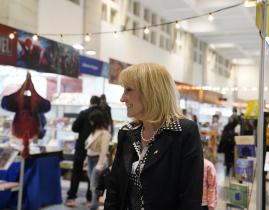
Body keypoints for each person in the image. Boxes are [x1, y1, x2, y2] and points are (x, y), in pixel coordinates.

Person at [104, 63, 203, 210]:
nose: (122, 98)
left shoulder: (183, 132)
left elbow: (190, 197)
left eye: (128, 90)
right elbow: (114, 189)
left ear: (150, 92)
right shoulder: (127, 132)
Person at [65, 96, 101, 207]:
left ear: (90, 102)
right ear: (99, 103)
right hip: (95, 148)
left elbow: (74, 128)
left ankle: (71, 198)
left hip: (81, 147)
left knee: (76, 172)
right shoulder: (102, 115)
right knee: (92, 175)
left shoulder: (83, 113)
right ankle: (89, 200)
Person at [85, 110, 111, 210]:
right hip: (90, 159)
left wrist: (100, 165)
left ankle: (94, 205)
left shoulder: (104, 133)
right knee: (92, 184)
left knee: (95, 185)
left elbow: (104, 151)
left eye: (92, 120)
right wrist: (86, 160)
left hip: (97, 160)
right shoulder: (94, 131)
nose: (90, 122)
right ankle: (94, 203)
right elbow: (88, 147)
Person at [201, 142, 217, 210]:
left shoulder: (208, 166)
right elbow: (212, 186)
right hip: (202, 203)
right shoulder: (208, 165)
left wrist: (210, 205)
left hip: (204, 203)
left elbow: (212, 186)